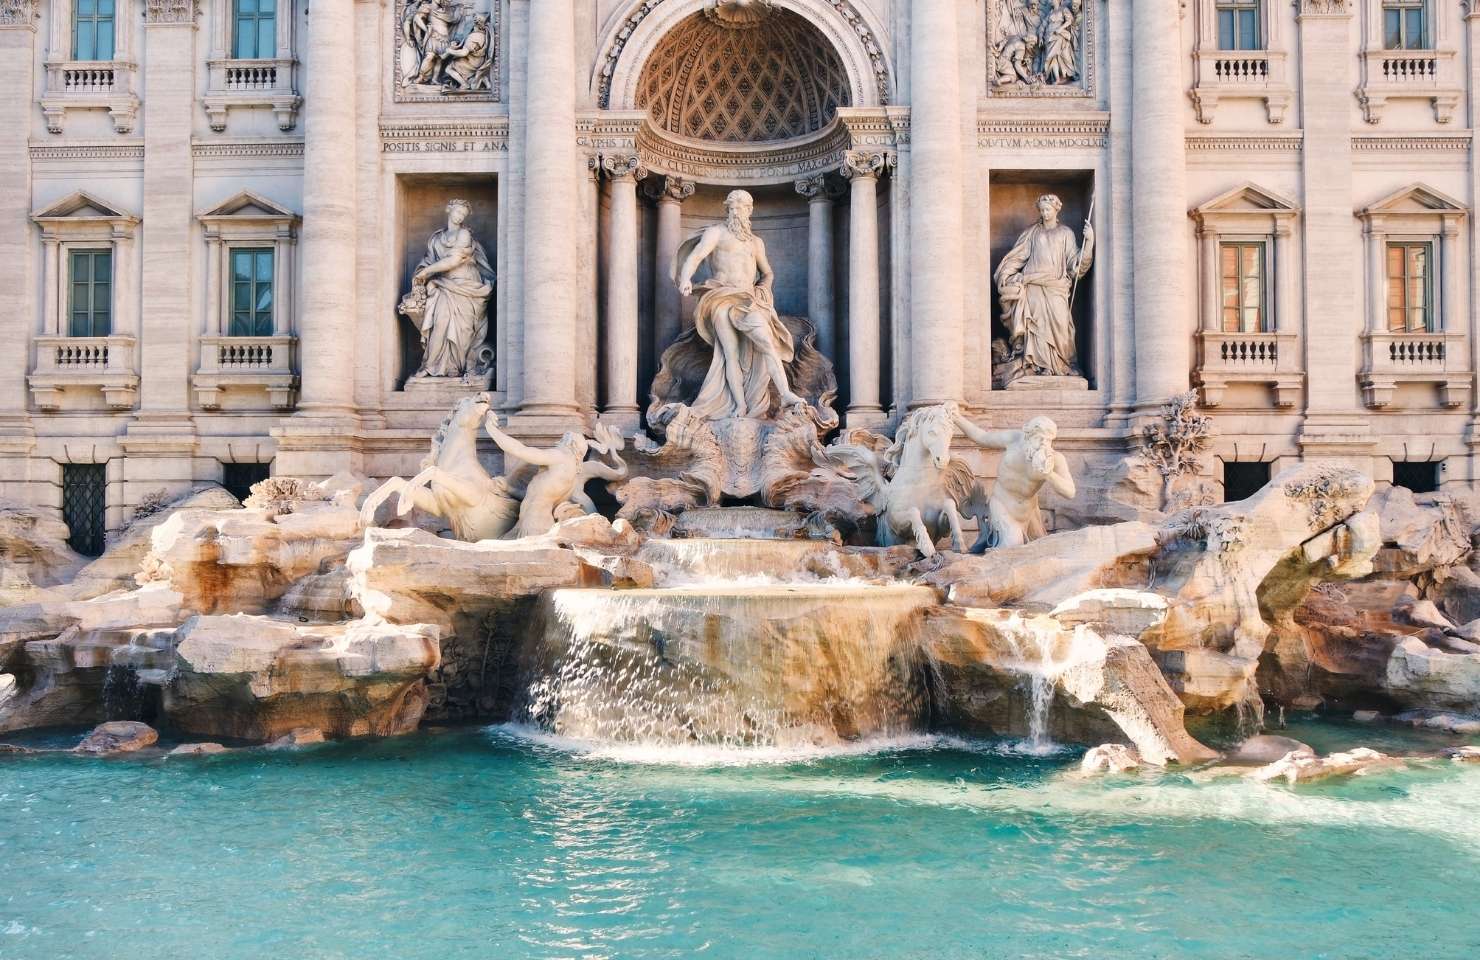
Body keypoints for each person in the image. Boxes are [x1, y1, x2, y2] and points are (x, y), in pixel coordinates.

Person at [671, 189, 805, 419]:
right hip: (720, 298)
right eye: (731, 208)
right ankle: (739, 406)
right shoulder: (716, 233)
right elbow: (695, 256)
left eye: (740, 208)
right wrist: (685, 279)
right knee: (729, 354)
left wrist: (763, 288)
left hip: (748, 300)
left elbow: (768, 273)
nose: (735, 212)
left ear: (749, 211)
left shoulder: (756, 243)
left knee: (767, 343)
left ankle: (785, 394)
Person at [948, 405, 1076, 551]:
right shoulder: (1013, 439)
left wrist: (1049, 475)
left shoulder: (1054, 459)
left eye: (1048, 441)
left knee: (1037, 552)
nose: (1043, 445)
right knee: (1012, 547)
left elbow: (1070, 492)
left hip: (1029, 513)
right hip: (1002, 505)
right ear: (1028, 435)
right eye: (1040, 439)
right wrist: (957, 418)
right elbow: (982, 437)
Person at [993, 193, 1093, 379]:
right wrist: (1006, 274)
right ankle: (1039, 366)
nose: (1045, 213)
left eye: (1048, 210)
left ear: (1056, 210)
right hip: (1033, 285)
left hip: (1056, 287)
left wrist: (1089, 242)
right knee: (1036, 327)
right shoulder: (1033, 233)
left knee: (1062, 326)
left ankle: (1061, 365)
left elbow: (1075, 264)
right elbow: (1018, 256)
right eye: (1042, 210)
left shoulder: (1065, 233)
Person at [408, 199, 495, 379]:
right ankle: (432, 365)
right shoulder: (436, 238)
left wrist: (427, 272)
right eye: (458, 212)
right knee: (440, 322)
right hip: (444, 286)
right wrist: (426, 276)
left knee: (462, 331)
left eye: (463, 214)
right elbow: (429, 261)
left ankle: (456, 367)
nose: (460, 216)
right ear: (449, 210)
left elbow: (454, 261)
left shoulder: (464, 234)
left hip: (466, 287)